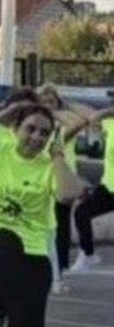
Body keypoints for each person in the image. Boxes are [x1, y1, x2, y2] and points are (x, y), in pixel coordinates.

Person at [0, 100, 86, 327]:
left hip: (33, 254)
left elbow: (69, 194)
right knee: (6, 241)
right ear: (15, 129)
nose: (37, 137)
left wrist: (58, 154)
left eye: (44, 133)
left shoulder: (49, 165)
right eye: (30, 129)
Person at [36, 84, 97, 290]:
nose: (47, 106)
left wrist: (60, 109)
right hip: (39, 181)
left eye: (50, 101)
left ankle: (58, 274)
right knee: (44, 229)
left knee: (60, 228)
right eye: (43, 102)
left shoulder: (61, 128)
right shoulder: (34, 129)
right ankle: (45, 273)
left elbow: (82, 120)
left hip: (62, 181)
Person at [70, 104, 114, 272]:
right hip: (109, 187)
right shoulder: (111, 124)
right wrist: (108, 111)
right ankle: (88, 255)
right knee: (81, 213)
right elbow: (92, 118)